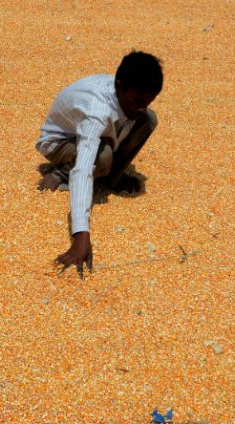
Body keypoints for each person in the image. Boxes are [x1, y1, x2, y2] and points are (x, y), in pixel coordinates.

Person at [35, 50, 163, 279]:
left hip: (95, 133)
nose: (142, 106)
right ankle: (62, 172)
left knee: (148, 119)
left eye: (148, 100)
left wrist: (138, 108)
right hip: (60, 143)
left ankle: (110, 178)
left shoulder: (128, 95)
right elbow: (84, 169)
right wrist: (80, 236)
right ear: (119, 85)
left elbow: (138, 112)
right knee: (100, 158)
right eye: (137, 100)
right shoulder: (97, 112)